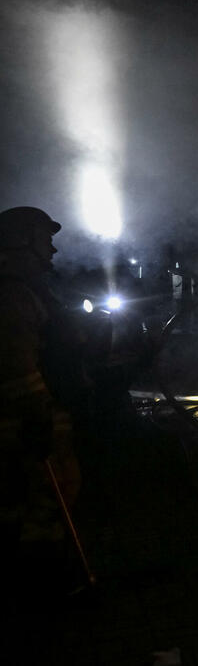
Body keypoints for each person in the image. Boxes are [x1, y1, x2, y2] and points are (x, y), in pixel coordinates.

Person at [0, 206, 80, 592]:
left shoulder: (27, 289)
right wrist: (38, 416)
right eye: (45, 241)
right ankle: (44, 584)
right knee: (45, 499)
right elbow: (17, 365)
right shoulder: (12, 294)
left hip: (38, 412)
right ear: (22, 243)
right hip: (27, 419)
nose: (52, 250)